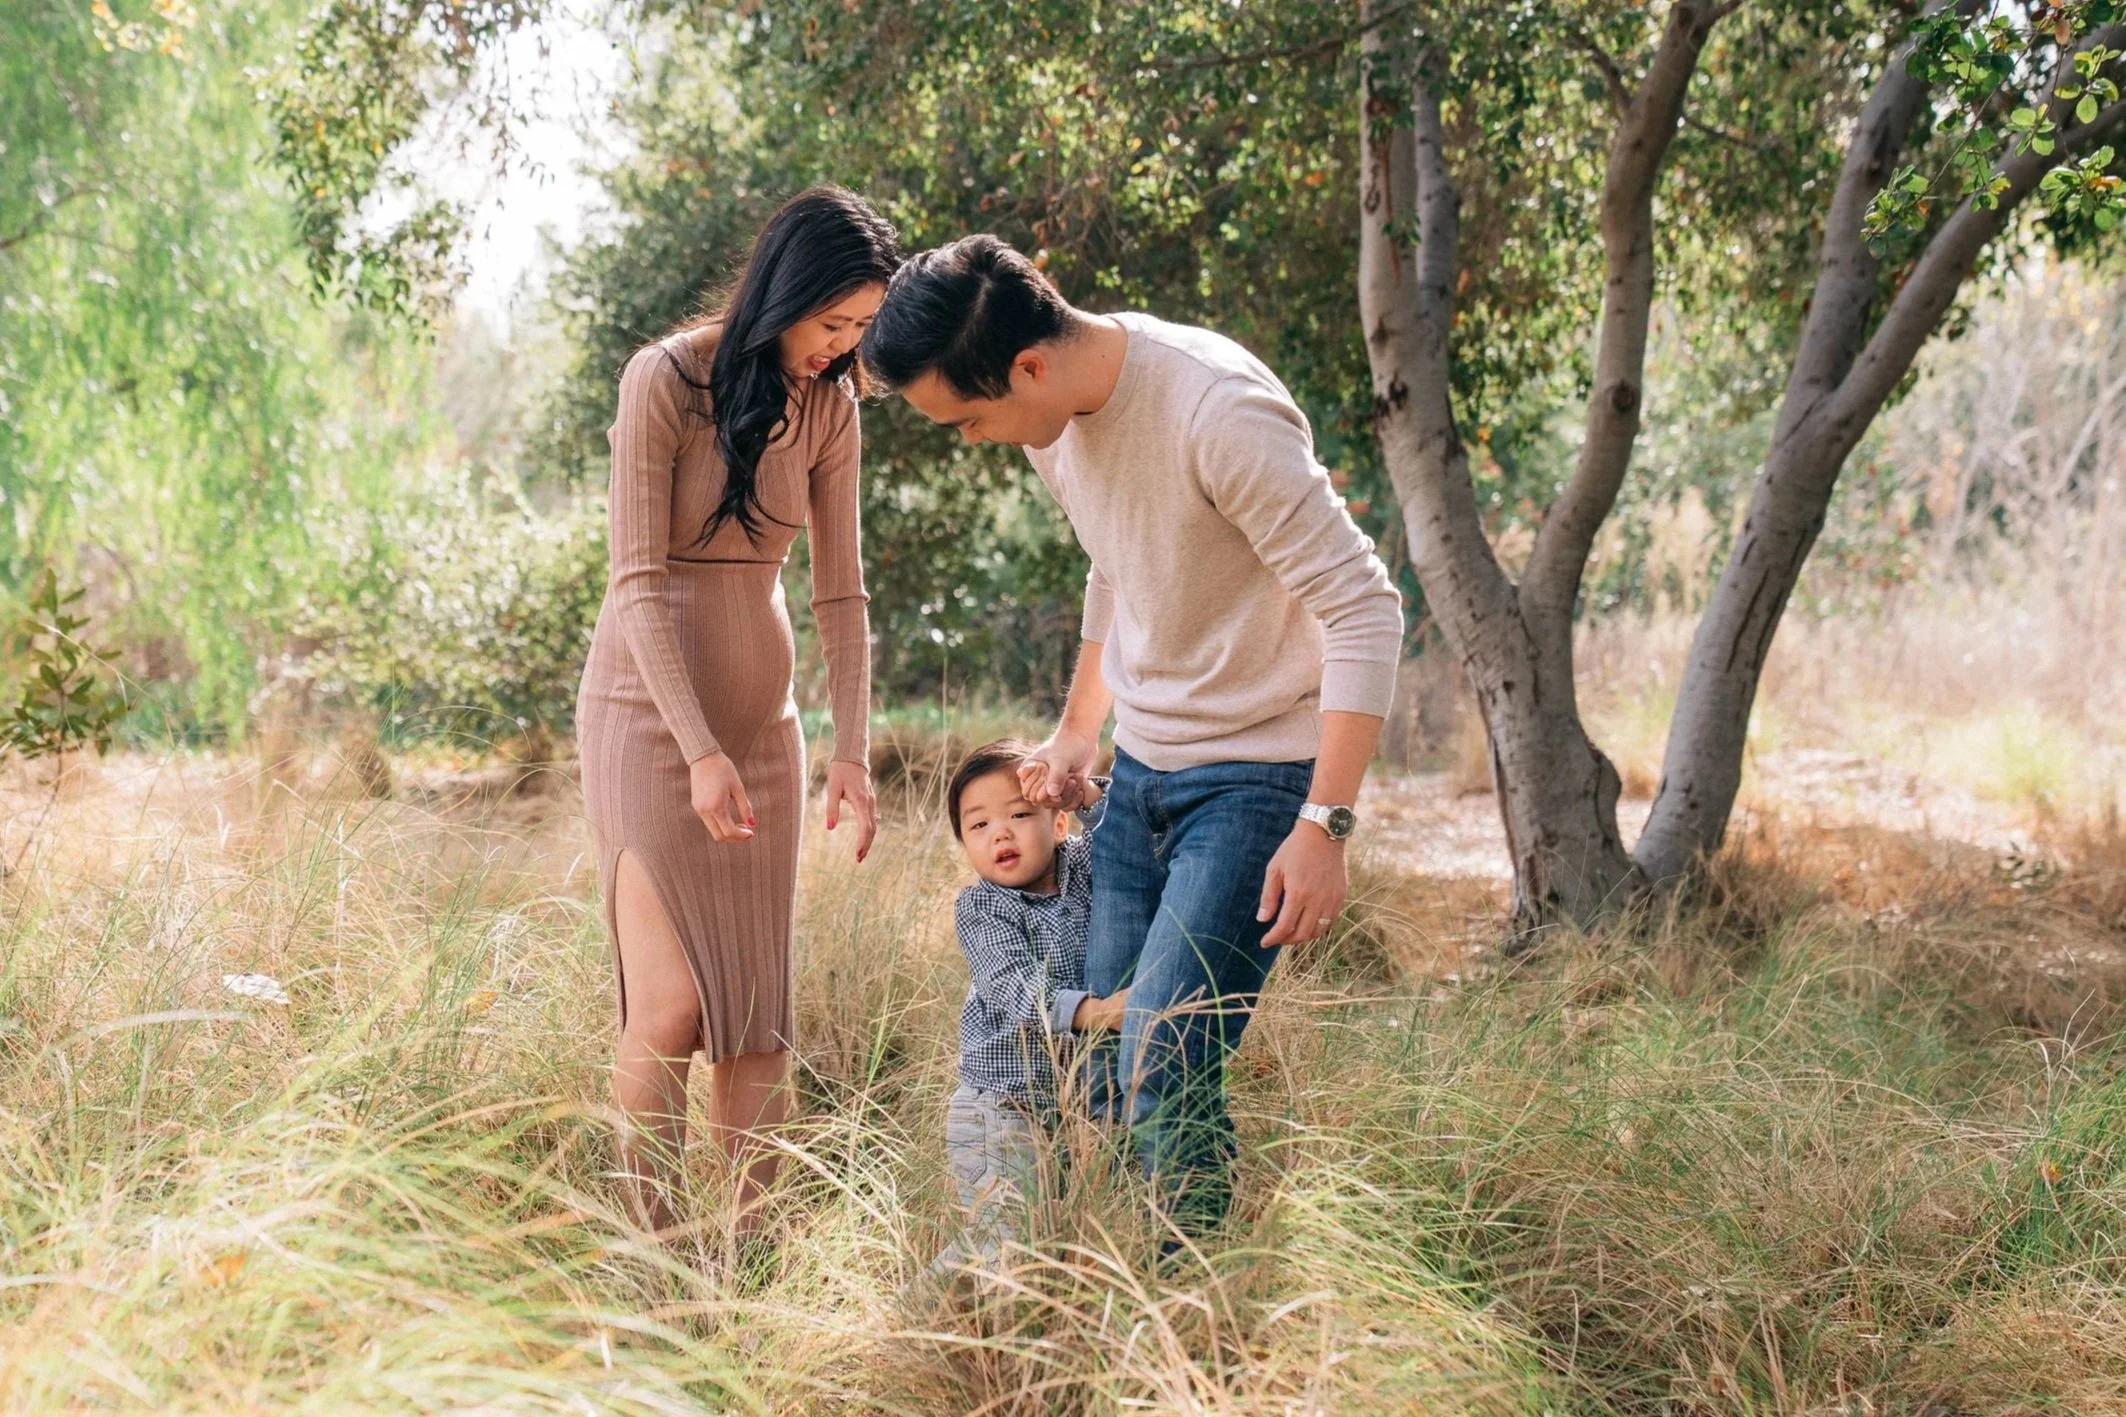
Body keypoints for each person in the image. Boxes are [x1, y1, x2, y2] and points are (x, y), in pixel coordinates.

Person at [861, 237, 1403, 1237]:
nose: (974, 440)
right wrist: (1078, 730)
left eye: (969, 417)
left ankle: (1187, 1323)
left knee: (1161, 1051)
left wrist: (1325, 822)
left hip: (1255, 777)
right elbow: (1115, 562)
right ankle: (1120, 1312)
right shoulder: (1052, 423)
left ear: (1026, 365)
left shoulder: (1216, 412)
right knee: (1102, 1068)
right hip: (1135, 778)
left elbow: (1366, 609)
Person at [575, 187, 898, 1253]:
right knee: (668, 1010)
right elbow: (633, 580)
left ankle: (740, 1272)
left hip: (764, 734)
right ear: (785, 293)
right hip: (646, 718)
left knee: (755, 1029)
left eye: (859, 330)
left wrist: (849, 747)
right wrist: (696, 749)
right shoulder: (665, 378)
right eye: (830, 323)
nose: (839, 348)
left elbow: (840, 596)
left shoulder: (832, 410)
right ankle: (653, 1266)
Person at [934, 739, 1123, 1272]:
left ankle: (1010, 1337)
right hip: (999, 1108)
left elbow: (1130, 824)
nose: (1000, 832)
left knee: (1048, 1241)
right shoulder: (981, 907)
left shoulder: (1083, 869)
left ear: (1058, 824)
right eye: (979, 825)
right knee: (1006, 1241)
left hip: (1067, 1109)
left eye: (1019, 814)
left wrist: (1080, 791)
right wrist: (1095, 1013)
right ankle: (914, 1323)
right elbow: (1013, 985)